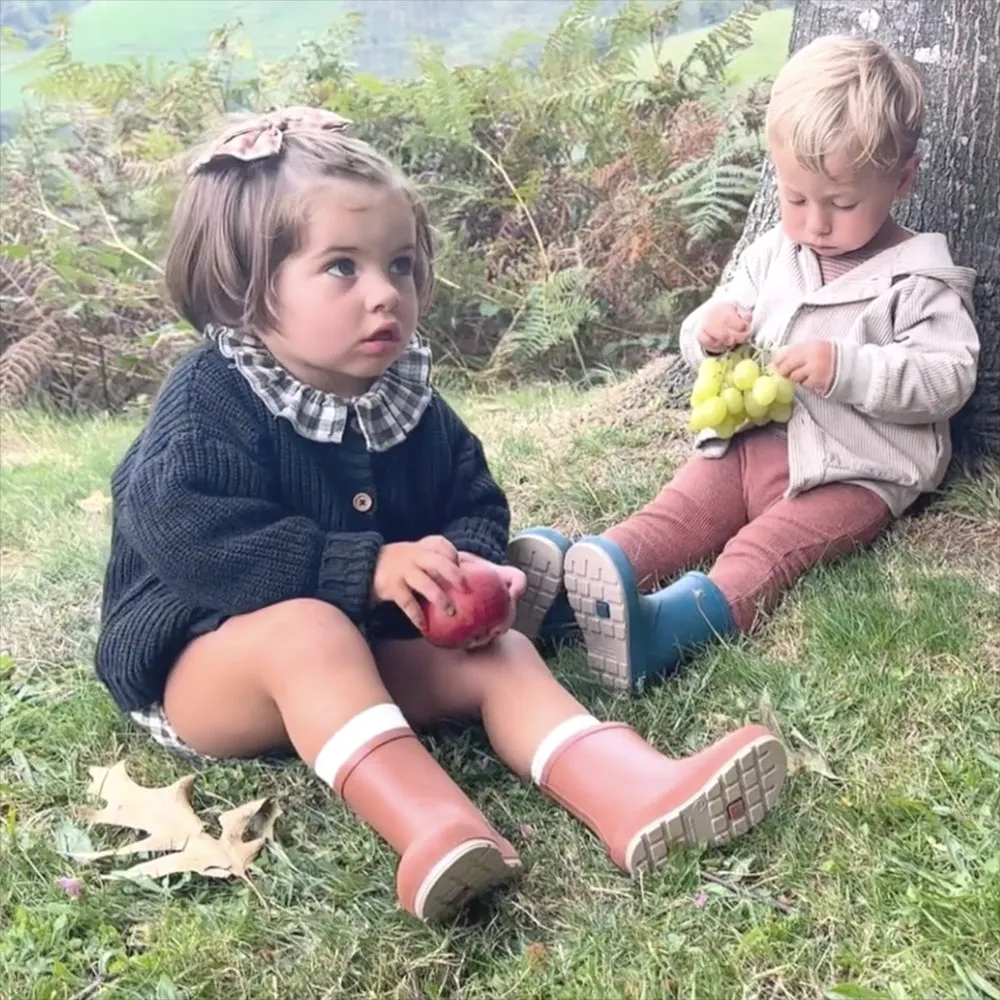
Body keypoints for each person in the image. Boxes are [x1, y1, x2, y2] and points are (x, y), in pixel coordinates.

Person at [94, 108, 787, 924]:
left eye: (401, 265)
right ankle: (434, 827)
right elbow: (185, 534)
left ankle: (631, 789)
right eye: (342, 268)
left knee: (503, 652)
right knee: (310, 629)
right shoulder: (213, 398)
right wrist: (363, 568)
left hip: (363, 650)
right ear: (249, 283)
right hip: (210, 666)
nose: (387, 293)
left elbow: (471, 497)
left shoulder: (406, 400)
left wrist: (461, 563)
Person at [510, 35, 980, 695]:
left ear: (902, 180)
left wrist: (847, 367)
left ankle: (663, 629)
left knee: (765, 552)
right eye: (795, 198)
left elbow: (947, 379)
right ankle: (569, 593)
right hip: (749, 447)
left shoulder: (918, 279)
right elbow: (709, 328)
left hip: (851, 472)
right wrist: (707, 332)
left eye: (841, 204)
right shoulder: (772, 255)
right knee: (675, 514)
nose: (814, 223)